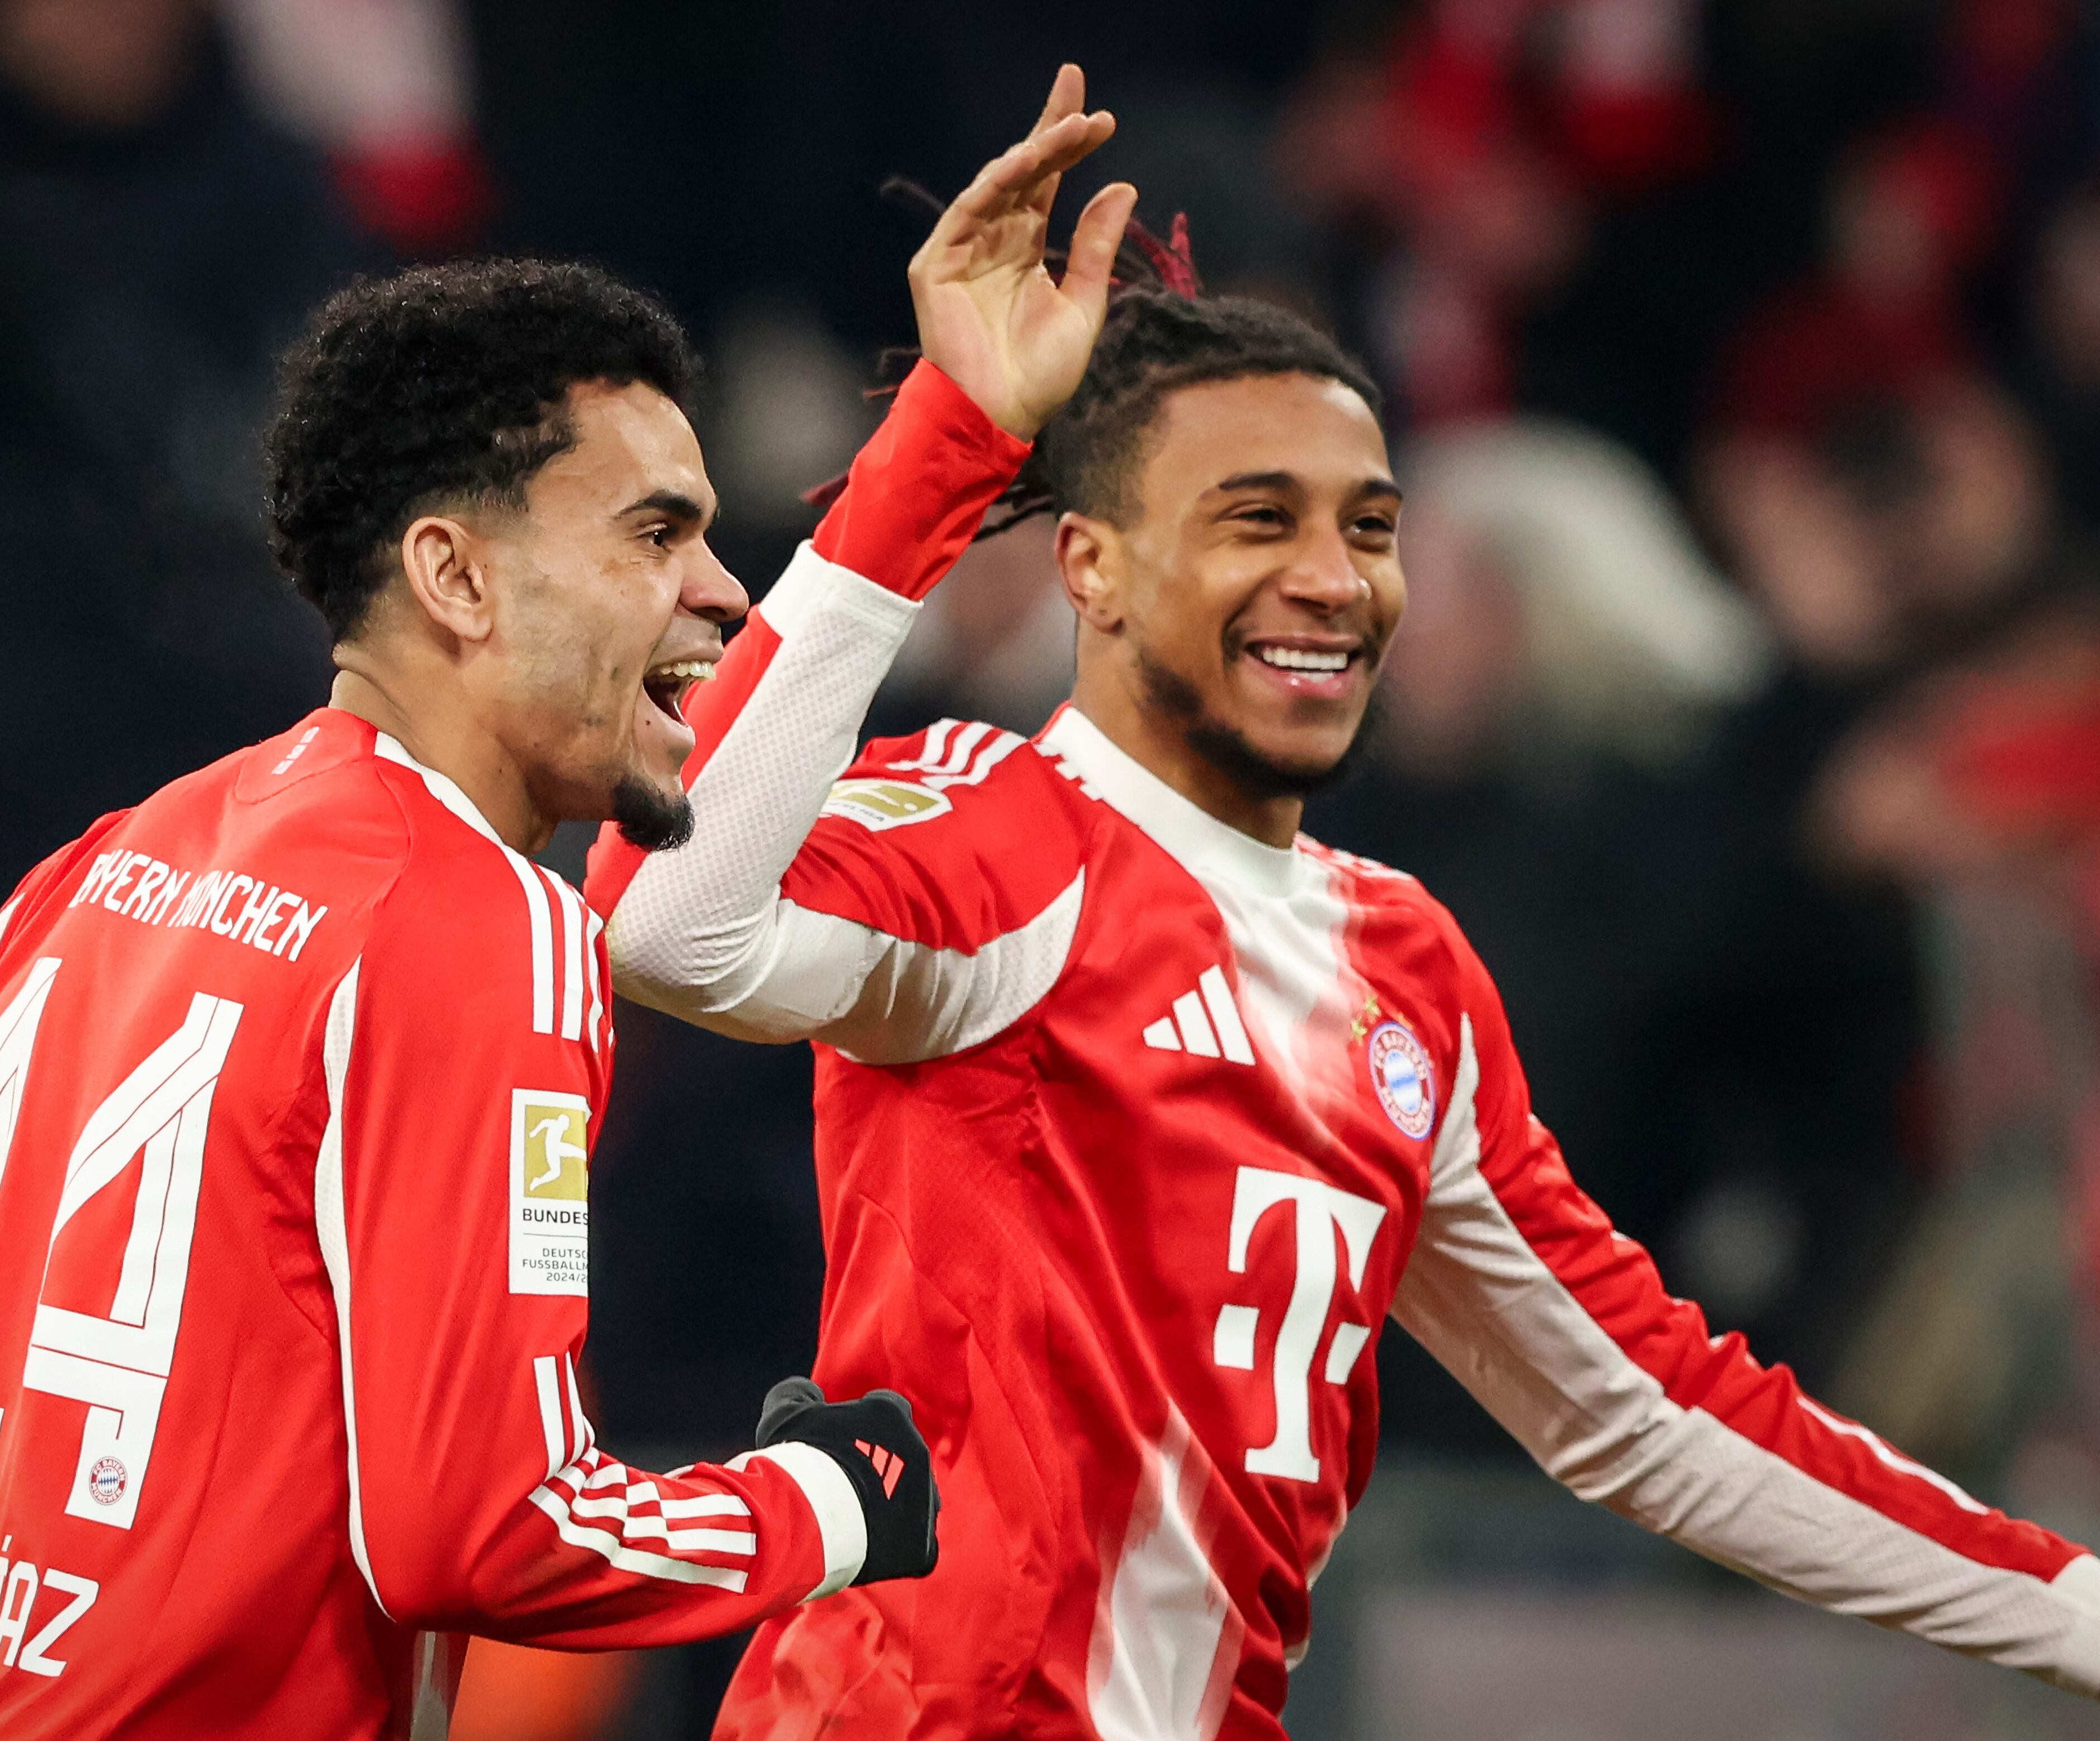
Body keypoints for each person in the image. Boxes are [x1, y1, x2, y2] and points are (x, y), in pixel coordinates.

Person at [0, 73, 1141, 1735]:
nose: (719, 588)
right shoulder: (480, 924)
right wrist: (830, 1501)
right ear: (457, 577)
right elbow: (486, 1530)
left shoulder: (123, 862)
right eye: (657, 532)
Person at [584, 155, 2100, 1741]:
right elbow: (665, 920)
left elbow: (1652, 1413)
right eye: (1258, 519)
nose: (1330, 577)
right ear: (1092, 565)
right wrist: (944, 444)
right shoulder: (995, 831)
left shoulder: (1402, 961)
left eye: (1367, 525)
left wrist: (2068, 1608)